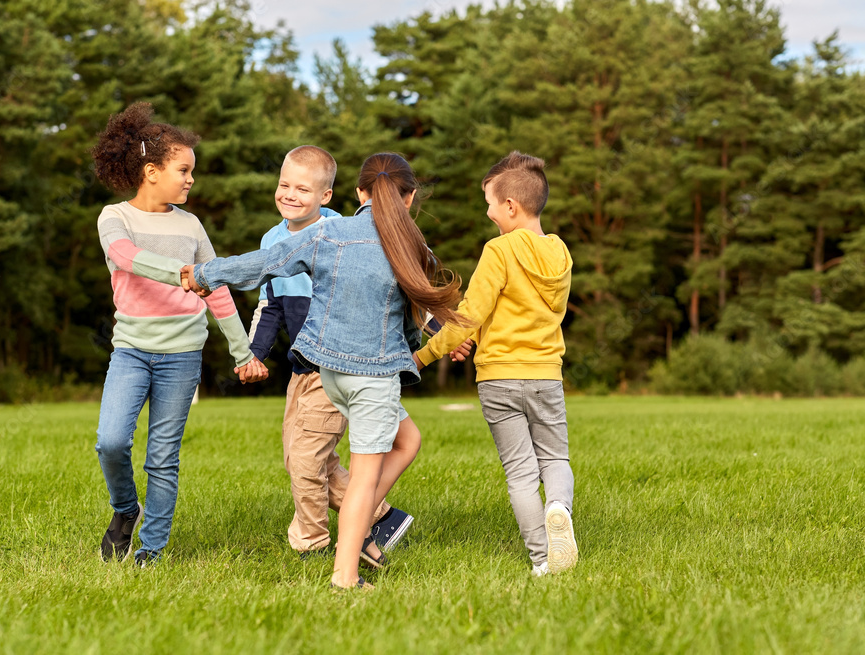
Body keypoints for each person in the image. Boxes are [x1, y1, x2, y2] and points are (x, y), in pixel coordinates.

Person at [182, 152, 469, 589]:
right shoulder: (412, 244)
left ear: (358, 192)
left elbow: (262, 265)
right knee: (363, 477)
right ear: (408, 198)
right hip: (369, 374)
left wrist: (205, 272)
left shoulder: (328, 232)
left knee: (408, 439)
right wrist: (447, 334)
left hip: (327, 369)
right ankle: (345, 573)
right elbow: (421, 304)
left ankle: (368, 515)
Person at [90, 102, 267, 567]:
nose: (191, 179)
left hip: (182, 355)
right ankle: (126, 511)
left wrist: (242, 351)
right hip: (131, 350)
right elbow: (126, 257)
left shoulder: (191, 225)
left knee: (162, 458)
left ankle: (151, 547)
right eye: (183, 170)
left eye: (193, 171)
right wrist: (183, 273)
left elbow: (217, 290)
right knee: (110, 441)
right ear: (151, 171)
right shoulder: (115, 217)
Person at [412, 151, 577, 576]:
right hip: (545, 375)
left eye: (489, 203)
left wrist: (423, 354)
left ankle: (542, 559)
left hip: (500, 378)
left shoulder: (499, 250)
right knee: (555, 458)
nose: (487, 212)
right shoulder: (560, 253)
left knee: (521, 473)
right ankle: (559, 508)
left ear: (510, 206)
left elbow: (470, 315)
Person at [247, 146, 414, 564]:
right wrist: (254, 354)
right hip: (301, 365)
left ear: (327, 196)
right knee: (300, 460)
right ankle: (379, 520)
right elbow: (271, 306)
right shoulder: (273, 239)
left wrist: (433, 329)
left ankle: (314, 543)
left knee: (306, 460)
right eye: (283, 184)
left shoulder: (343, 233)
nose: (289, 194)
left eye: (302, 188)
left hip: (335, 362)